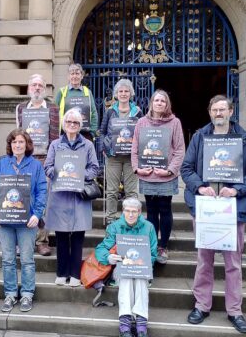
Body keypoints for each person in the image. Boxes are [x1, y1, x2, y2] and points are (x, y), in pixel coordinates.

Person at [180, 95, 246, 333]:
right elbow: (186, 168)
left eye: (223, 109)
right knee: (204, 261)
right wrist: (199, 186)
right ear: (210, 112)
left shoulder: (243, 139)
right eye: (214, 110)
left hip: (233, 209)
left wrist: (236, 189)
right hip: (206, 208)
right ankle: (202, 305)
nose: (219, 113)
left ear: (230, 111)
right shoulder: (200, 137)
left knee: (233, 264)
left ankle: (235, 311)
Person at [0, 128, 47, 312]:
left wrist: (37, 214)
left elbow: (42, 192)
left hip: (27, 222)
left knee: (28, 260)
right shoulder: (2, 164)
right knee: (7, 259)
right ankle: (11, 294)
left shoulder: (35, 165)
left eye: (21, 142)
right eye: (14, 142)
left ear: (27, 144)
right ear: (10, 145)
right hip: (5, 222)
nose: (18, 145)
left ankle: (27, 294)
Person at [44, 108, 99, 287]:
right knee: (61, 237)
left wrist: (78, 174)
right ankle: (62, 272)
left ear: (80, 126)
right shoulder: (55, 144)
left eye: (75, 123)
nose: (72, 125)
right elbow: (47, 167)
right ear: (63, 124)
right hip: (60, 196)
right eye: (69, 122)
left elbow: (94, 168)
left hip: (79, 196)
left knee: (77, 237)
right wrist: (58, 172)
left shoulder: (88, 145)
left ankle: (75, 273)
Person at [131, 89, 185, 264]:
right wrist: (137, 169)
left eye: (163, 101)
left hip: (166, 176)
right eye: (157, 100)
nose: (160, 103)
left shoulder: (174, 123)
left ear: (167, 104)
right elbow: (135, 149)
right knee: (151, 211)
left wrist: (170, 170)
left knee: (165, 209)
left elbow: (179, 150)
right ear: (151, 103)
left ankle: (163, 246)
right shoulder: (141, 123)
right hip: (148, 175)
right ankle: (153, 245)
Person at [95, 197, 157, 337]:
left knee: (140, 280)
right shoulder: (115, 226)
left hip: (142, 267)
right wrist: (108, 257)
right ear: (123, 211)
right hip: (122, 268)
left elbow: (153, 253)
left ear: (139, 212)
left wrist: (145, 263)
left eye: (134, 212)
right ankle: (125, 323)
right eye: (127, 211)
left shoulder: (149, 227)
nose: (130, 215)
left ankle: (141, 323)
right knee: (127, 278)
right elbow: (101, 248)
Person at [16, 73, 59, 256]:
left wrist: (50, 161)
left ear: (45, 89)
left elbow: (55, 137)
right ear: (28, 89)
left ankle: (42, 241)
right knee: (23, 199)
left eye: (40, 85)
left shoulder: (52, 108)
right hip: (24, 159)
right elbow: (17, 136)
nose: (37, 88)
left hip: (44, 158)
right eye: (34, 85)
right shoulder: (20, 108)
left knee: (43, 199)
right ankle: (23, 241)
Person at [100, 79, 142, 221]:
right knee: (112, 191)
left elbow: (142, 133)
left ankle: (132, 219)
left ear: (131, 94)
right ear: (116, 94)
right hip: (113, 157)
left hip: (131, 157)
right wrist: (104, 147)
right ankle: (111, 219)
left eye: (126, 91)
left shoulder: (137, 112)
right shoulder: (110, 111)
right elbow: (103, 131)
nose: (123, 94)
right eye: (120, 91)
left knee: (131, 191)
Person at [55, 63, 98, 140]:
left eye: (77, 74)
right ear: (68, 76)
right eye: (72, 74)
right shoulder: (61, 92)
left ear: (82, 76)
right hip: (66, 134)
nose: (74, 76)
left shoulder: (88, 92)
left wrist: (92, 132)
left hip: (84, 134)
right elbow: (54, 113)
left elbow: (94, 113)